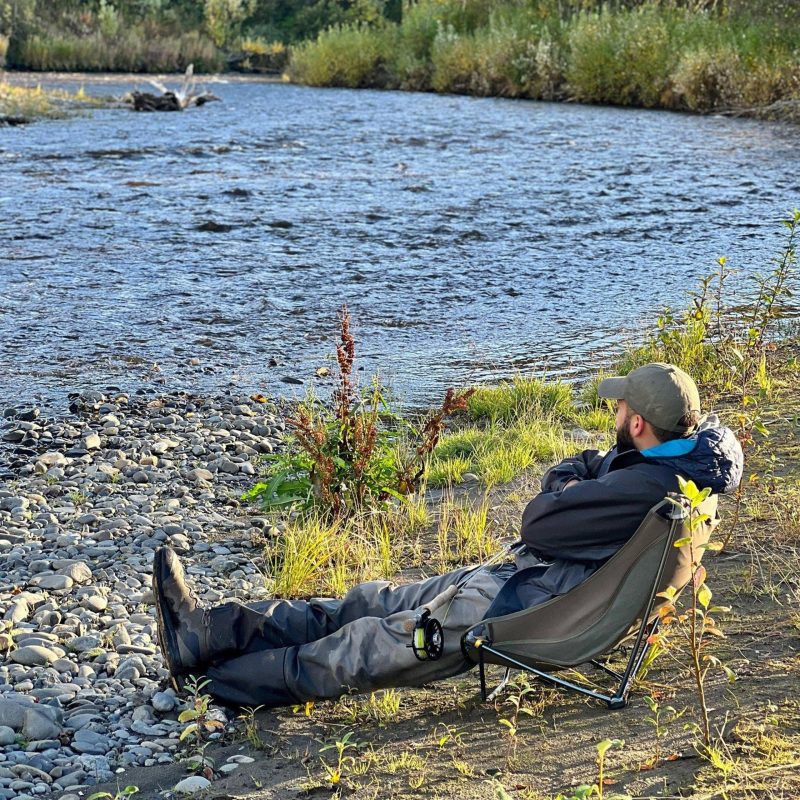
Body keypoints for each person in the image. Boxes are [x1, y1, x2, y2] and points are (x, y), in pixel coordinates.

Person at [153, 362, 742, 707]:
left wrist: (567, 478)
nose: (611, 419)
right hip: (527, 580)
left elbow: (539, 517)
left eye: (618, 413)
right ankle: (209, 631)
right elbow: (584, 475)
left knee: (364, 647)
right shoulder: (684, 465)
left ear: (637, 423)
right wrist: (580, 476)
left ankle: (213, 681)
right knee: (367, 602)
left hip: (518, 608)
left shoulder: (639, 490)